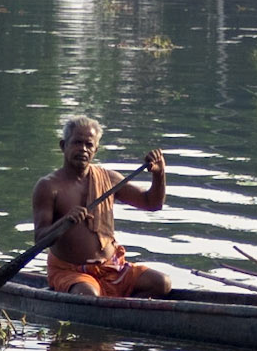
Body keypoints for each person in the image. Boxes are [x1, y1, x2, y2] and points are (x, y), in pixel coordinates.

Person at [32, 116, 170, 298]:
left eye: (89, 145)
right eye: (77, 143)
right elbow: (40, 239)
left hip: (111, 268)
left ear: (95, 149)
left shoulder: (109, 179)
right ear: (63, 145)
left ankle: (121, 311)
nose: (83, 149)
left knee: (162, 283)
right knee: (88, 294)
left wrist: (159, 174)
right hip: (71, 272)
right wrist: (65, 221)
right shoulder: (48, 186)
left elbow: (152, 204)